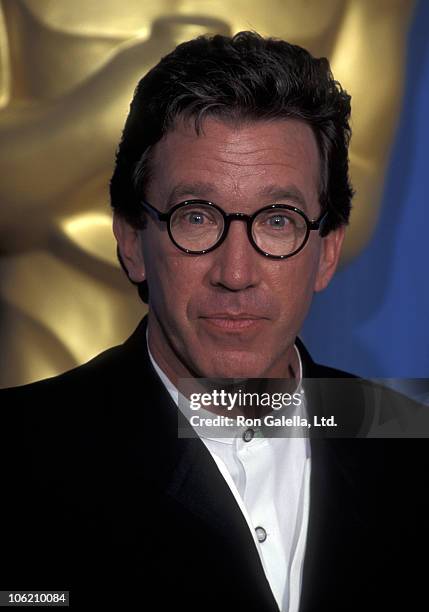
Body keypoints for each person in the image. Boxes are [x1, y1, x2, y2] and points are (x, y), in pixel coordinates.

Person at [1, 32, 427, 612]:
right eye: (196, 217)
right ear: (130, 239)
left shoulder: (408, 445)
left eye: (278, 221)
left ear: (326, 252)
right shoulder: (18, 456)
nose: (235, 272)